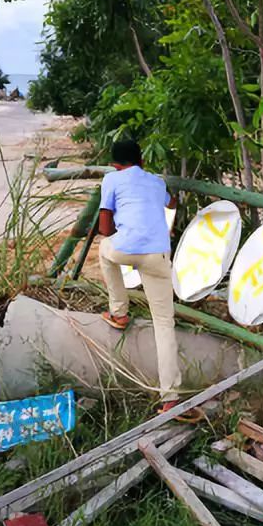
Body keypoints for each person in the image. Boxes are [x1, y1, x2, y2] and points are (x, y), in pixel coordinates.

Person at [97, 139, 200, 420]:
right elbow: (172, 202)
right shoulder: (155, 181)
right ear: (142, 162)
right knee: (164, 323)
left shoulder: (111, 179)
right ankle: (170, 399)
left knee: (104, 251)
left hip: (124, 249)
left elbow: (105, 228)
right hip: (157, 254)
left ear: (115, 165)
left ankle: (119, 312)